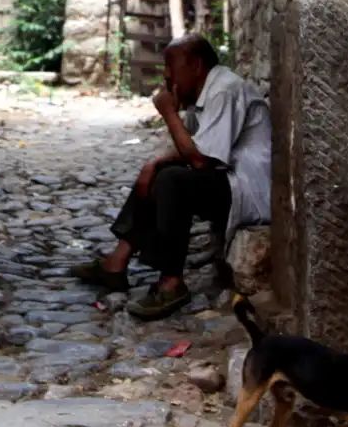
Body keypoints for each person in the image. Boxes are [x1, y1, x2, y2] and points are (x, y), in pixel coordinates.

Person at [74, 33, 271, 321]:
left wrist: (168, 114)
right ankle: (116, 263)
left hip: (249, 192)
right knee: (162, 174)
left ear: (196, 65)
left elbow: (200, 159)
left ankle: (172, 281)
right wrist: (153, 163)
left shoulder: (224, 91)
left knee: (172, 181)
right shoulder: (202, 94)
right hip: (228, 180)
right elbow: (191, 148)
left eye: (171, 65)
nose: (166, 74)